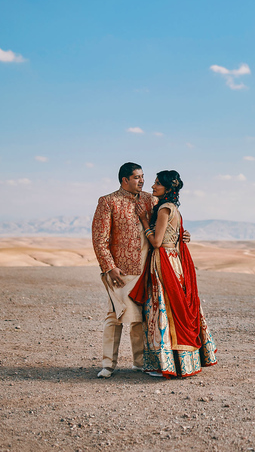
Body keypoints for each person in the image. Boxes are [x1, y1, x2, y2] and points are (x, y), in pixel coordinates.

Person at [129, 170, 217, 378]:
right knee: (171, 311)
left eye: (157, 184)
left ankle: (165, 365)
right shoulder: (173, 208)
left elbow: (157, 242)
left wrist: (143, 221)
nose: (152, 186)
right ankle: (181, 364)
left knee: (161, 311)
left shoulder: (164, 210)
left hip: (163, 263)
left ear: (168, 188)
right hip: (173, 260)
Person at [91, 162, 156, 379]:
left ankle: (139, 363)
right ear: (124, 180)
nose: (142, 181)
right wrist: (109, 267)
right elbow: (100, 239)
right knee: (114, 316)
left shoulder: (151, 200)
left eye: (143, 176)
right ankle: (108, 365)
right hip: (119, 273)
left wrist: (182, 236)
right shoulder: (108, 202)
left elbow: (166, 224)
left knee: (139, 318)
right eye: (137, 177)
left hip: (145, 270)